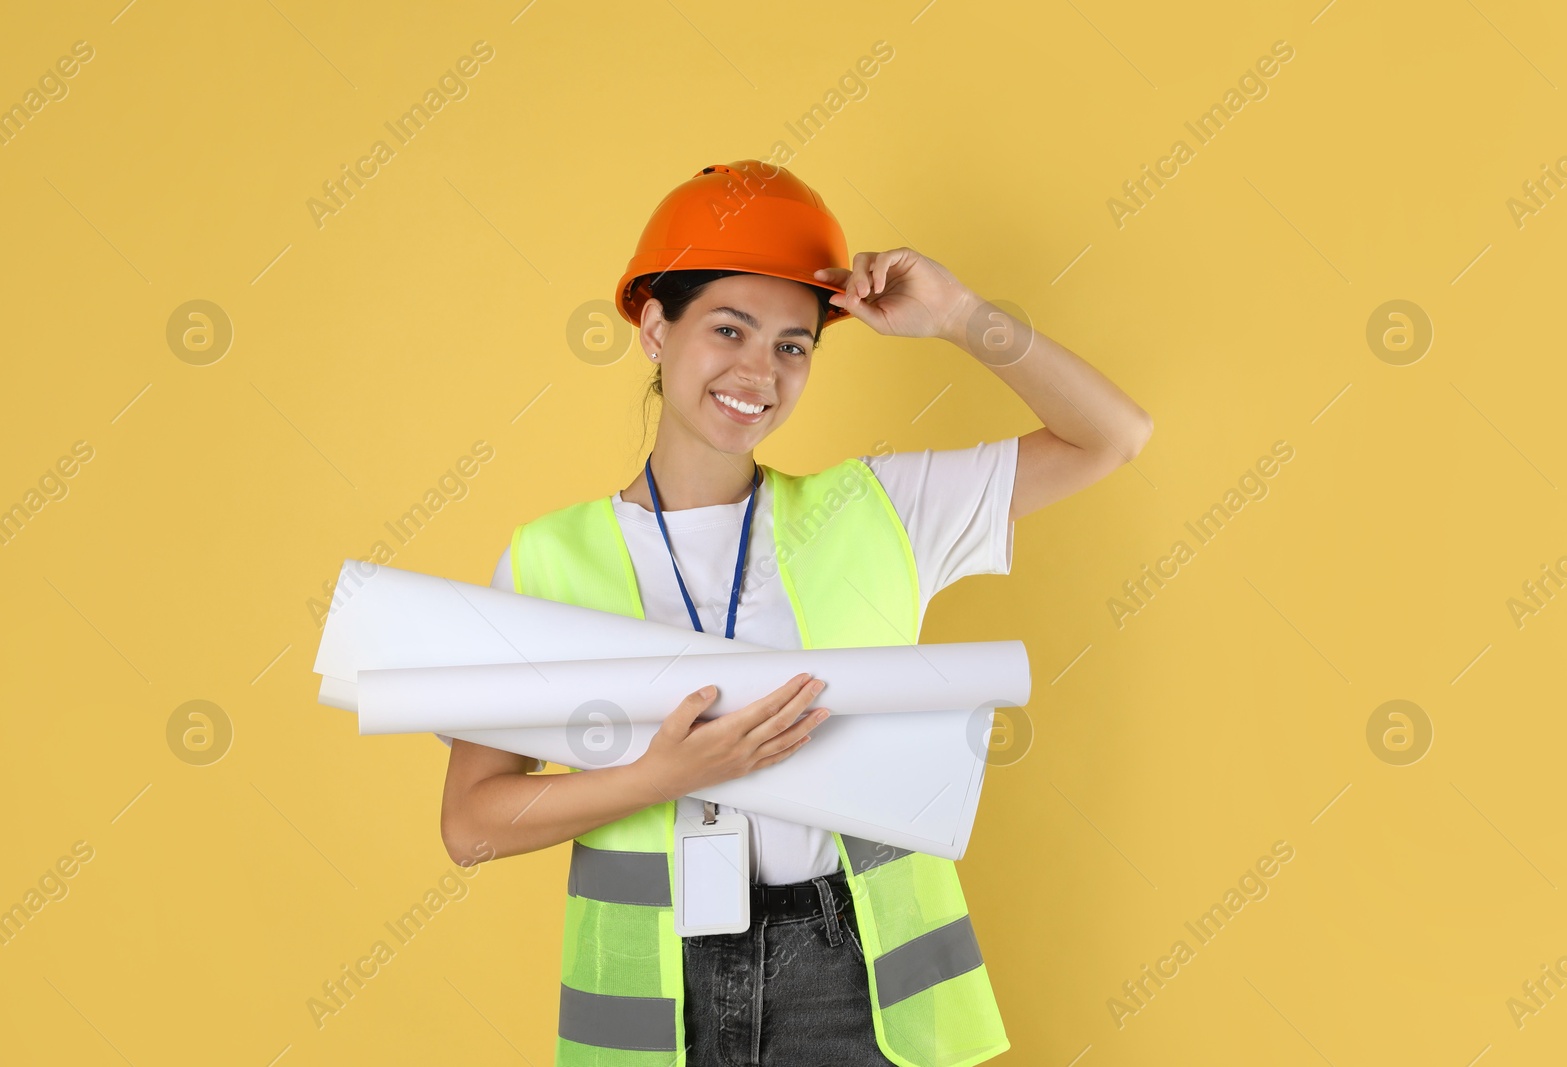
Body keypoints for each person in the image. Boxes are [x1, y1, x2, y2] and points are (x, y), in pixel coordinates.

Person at [439, 160, 1153, 1067]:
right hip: (655, 994)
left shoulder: (881, 511)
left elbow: (1114, 435)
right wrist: (659, 775)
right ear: (656, 327)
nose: (759, 371)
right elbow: (471, 823)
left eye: (794, 344)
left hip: (857, 977)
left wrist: (963, 318)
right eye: (728, 329)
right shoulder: (546, 561)